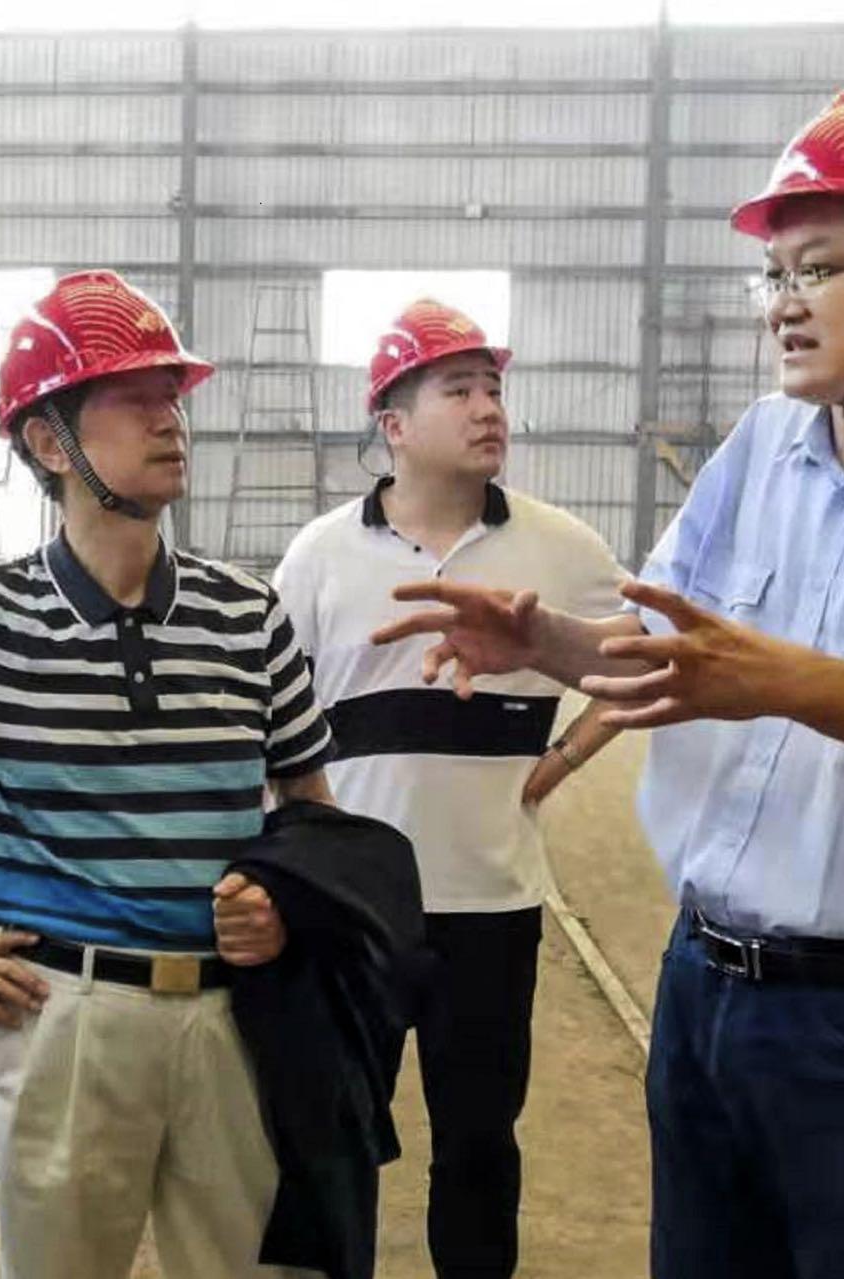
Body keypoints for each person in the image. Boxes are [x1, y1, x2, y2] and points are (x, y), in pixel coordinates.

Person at [373, 85, 844, 1279]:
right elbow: (675, 662)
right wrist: (546, 647)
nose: (780, 305)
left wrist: (784, 679)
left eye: (816, 268)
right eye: (772, 276)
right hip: (703, 988)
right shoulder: (760, 450)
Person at [0, 270, 336, 1278]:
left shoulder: (244, 613)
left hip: (234, 1020)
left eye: (171, 395)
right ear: (48, 443)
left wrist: (283, 902)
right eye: (132, 398)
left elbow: (312, 810)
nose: (169, 418)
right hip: (64, 1023)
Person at [273, 298, 624, 1277]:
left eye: (494, 388)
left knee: (476, 1142)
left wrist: (562, 757)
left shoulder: (563, 549)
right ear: (393, 424)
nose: (487, 408)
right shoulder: (320, 557)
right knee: (334, 1137)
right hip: (353, 909)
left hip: (491, 905)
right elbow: (271, 713)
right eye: (457, 389)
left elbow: (649, 664)